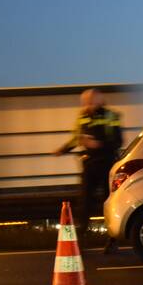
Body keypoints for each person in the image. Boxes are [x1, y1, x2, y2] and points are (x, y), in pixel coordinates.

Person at [53, 88, 123, 251]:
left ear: (99, 100)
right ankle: (79, 241)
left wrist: (97, 144)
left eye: (90, 102)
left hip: (107, 164)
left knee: (108, 203)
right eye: (84, 102)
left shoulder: (111, 116)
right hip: (89, 165)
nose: (86, 105)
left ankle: (112, 240)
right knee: (84, 203)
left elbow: (118, 142)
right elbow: (76, 139)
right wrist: (62, 150)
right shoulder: (82, 117)